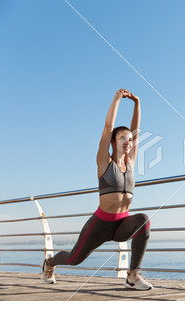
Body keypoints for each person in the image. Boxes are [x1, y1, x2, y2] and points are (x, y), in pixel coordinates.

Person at [41, 88, 152, 290]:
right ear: (112, 141)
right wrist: (117, 99)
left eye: (130, 139)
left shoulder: (131, 162)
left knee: (143, 220)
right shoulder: (104, 162)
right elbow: (108, 126)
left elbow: (136, 131)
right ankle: (49, 263)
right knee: (75, 258)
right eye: (122, 139)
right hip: (100, 224)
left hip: (122, 225)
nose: (128, 142)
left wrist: (137, 104)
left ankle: (132, 275)